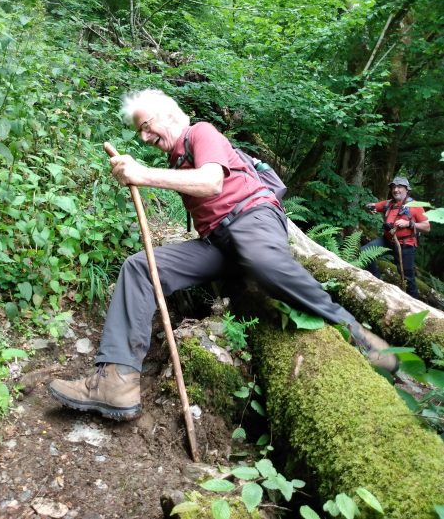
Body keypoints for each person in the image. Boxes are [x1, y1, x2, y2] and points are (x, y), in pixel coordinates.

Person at [49, 89, 397, 421]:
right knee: (140, 267)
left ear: (167, 114)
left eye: (145, 126)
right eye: (138, 131)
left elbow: (212, 182)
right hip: (218, 243)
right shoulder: (176, 158)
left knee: (260, 260)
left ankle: (355, 333)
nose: (143, 138)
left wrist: (143, 174)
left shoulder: (202, 132)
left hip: (252, 218)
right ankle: (116, 380)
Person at [363, 177, 430, 298]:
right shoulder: (389, 203)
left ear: (407, 190)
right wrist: (369, 208)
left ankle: (415, 304)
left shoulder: (415, 206)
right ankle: (377, 284)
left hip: (406, 244)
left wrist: (409, 224)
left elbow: (427, 227)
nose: (396, 189)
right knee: (365, 252)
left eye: (399, 187)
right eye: (393, 187)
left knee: (407, 279)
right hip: (387, 240)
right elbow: (371, 205)